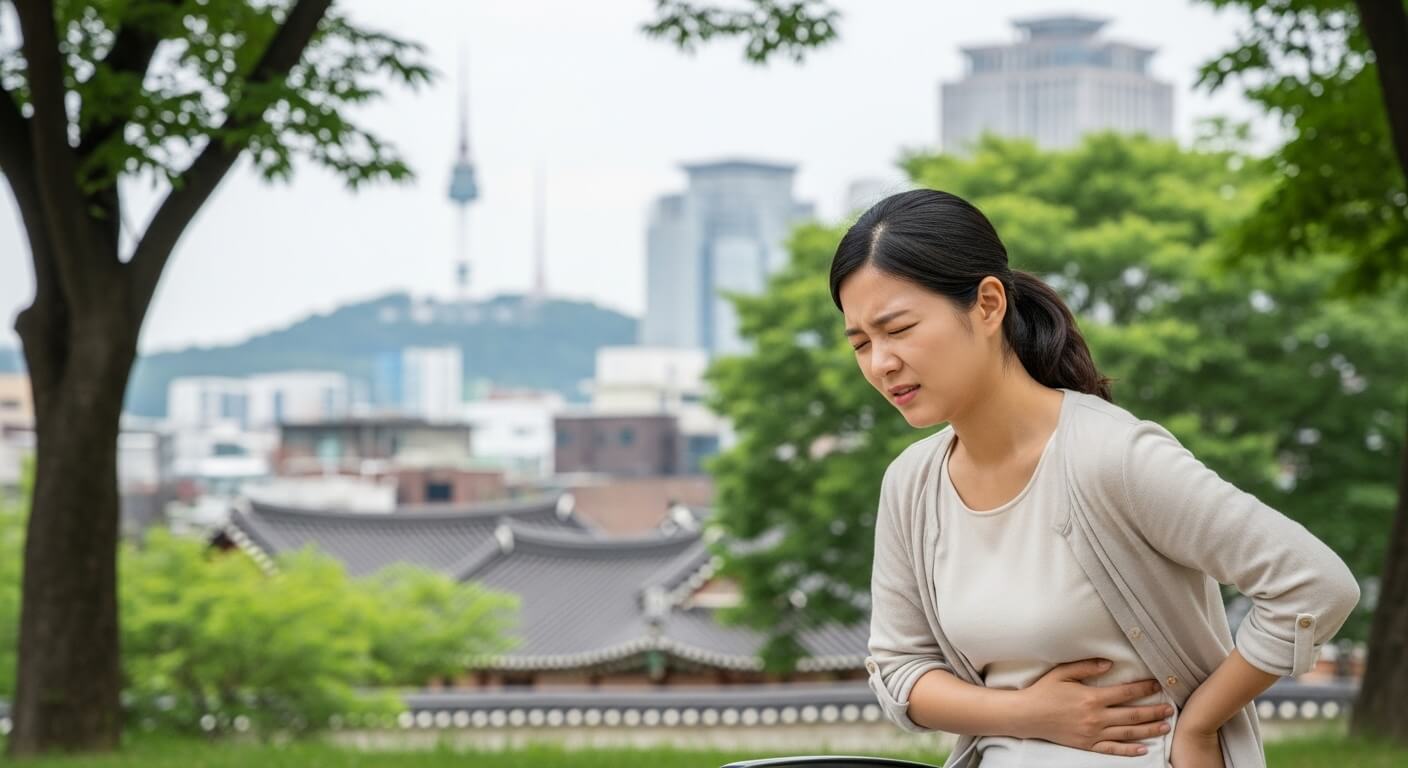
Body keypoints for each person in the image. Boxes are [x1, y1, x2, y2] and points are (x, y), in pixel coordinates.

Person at [832, 189, 1361, 768]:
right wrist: (1026, 713)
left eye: (899, 328)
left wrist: (1202, 723)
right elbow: (899, 669)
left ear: (987, 305)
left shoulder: (1111, 456)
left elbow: (1314, 585)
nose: (881, 362)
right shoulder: (911, 483)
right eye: (861, 343)